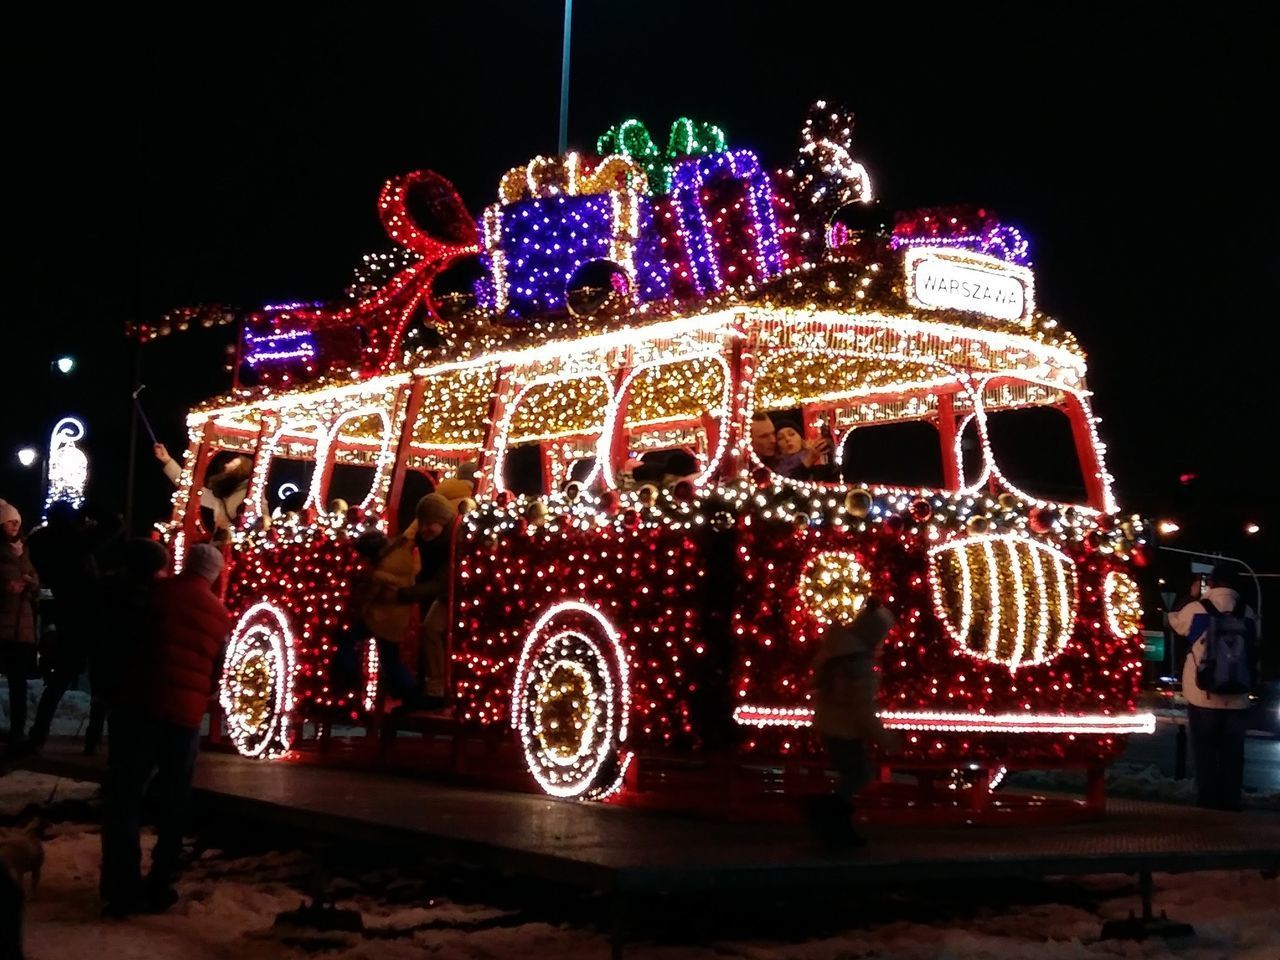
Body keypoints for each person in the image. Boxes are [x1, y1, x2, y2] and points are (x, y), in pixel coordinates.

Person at [100, 543, 230, 916]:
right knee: (175, 799)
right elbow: (216, 669)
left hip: (142, 705)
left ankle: (122, 887)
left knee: (126, 796)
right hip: (185, 716)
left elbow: (130, 641)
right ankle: (161, 881)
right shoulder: (219, 613)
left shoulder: (160, 594)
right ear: (214, 573)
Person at [806, 598, 897, 848]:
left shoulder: (837, 651)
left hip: (828, 724)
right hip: (845, 730)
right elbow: (863, 709)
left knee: (853, 774)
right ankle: (828, 815)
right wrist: (886, 739)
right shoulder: (860, 665)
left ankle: (835, 822)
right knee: (860, 774)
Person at [1168, 563, 1259, 811]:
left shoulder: (1197, 609)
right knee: (1233, 752)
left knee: (1205, 750)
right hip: (1238, 694)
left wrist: (1191, 595)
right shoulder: (1248, 612)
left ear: (1213, 582)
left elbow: (1174, 621)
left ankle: (1208, 801)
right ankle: (1230, 801)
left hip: (1203, 694)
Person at [25, 501, 99, 751]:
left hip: (65, 613)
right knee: (100, 679)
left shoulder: (40, 543)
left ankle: (38, 733)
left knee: (60, 679)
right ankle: (93, 738)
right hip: (88, 613)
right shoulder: (75, 542)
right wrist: (91, 511)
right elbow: (114, 525)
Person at [85, 538, 169, 755]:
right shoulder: (148, 594)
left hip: (107, 661)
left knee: (112, 712)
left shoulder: (108, 586)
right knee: (129, 721)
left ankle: (97, 745)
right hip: (131, 666)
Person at [397, 494, 457, 709]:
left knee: (431, 629)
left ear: (442, 520)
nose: (424, 529)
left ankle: (437, 689)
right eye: (421, 524)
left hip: (454, 595)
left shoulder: (454, 541)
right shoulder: (427, 540)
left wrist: (404, 594)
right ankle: (425, 687)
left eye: (429, 524)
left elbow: (443, 582)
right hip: (436, 594)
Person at [0, 500, 39, 752]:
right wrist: (4, 589)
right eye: (9, 521)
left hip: (21, 627)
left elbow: (37, 581)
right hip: (2, 624)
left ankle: (18, 730)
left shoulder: (25, 550)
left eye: (17, 521)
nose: (14, 525)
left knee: (18, 682)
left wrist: (31, 584)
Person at [154, 444, 252, 533]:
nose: (226, 465)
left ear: (240, 472)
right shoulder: (221, 500)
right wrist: (167, 460)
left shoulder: (249, 494)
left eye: (233, 465)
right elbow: (190, 488)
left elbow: (261, 515)